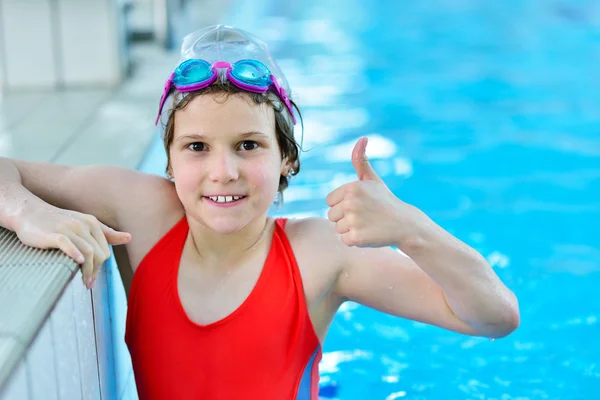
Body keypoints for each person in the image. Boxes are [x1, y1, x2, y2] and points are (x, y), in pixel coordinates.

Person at [0, 25, 519, 399]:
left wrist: (411, 229)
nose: (222, 171)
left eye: (248, 145)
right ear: (169, 160)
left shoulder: (317, 255)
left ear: (285, 158)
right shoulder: (142, 213)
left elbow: (495, 317)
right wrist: (28, 214)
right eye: (197, 147)